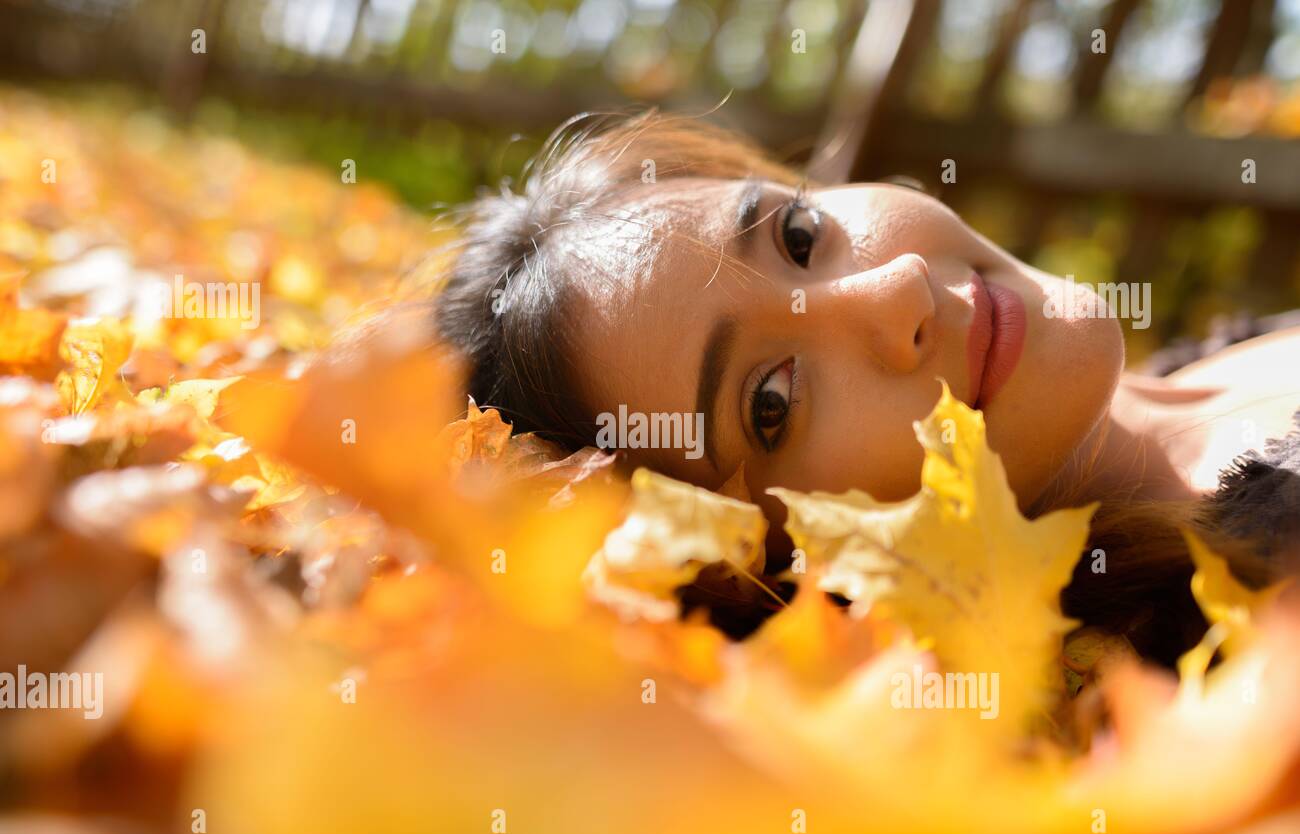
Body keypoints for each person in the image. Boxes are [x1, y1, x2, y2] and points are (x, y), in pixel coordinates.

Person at [434, 110, 1300, 665]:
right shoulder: (1250, 628)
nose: (901, 292)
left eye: (802, 234)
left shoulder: (1212, 359)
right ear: (773, 569)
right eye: (769, 401)